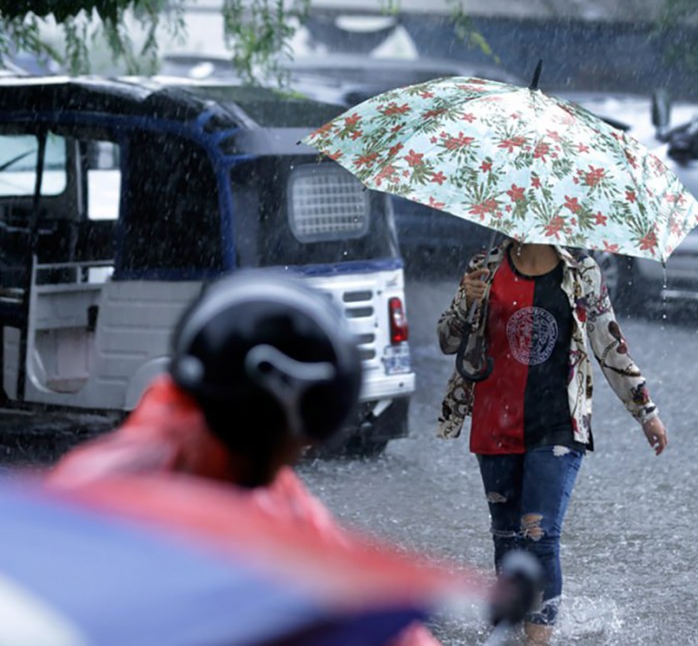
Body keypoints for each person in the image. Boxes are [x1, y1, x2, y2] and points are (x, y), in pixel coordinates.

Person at [48, 271, 440, 646]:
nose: (297, 456)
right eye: (293, 440)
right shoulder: (97, 505)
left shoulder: (260, 485)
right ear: (258, 416)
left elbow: (346, 587)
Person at [437, 238, 668, 645]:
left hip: (558, 424)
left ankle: (537, 640)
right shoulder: (484, 267)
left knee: (539, 532)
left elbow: (609, 346)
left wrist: (645, 410)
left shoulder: (582, 274)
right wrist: (467, 303)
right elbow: (447, 341)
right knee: (506, 537)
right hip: (495, 422)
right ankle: (504, 633)